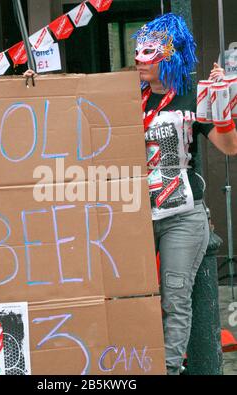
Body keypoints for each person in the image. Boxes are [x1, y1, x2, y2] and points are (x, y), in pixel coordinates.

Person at [133, 13, 237, 375]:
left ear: (171, 55)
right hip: (133, 216)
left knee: (175, 300)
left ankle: (170, 369)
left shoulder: (194, 94)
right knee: (131, 297)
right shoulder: (128, 96)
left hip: (182, 216)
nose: (140, 60)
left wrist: (222, 103)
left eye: (150, 52)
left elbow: (228, 147)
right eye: (138, 50)